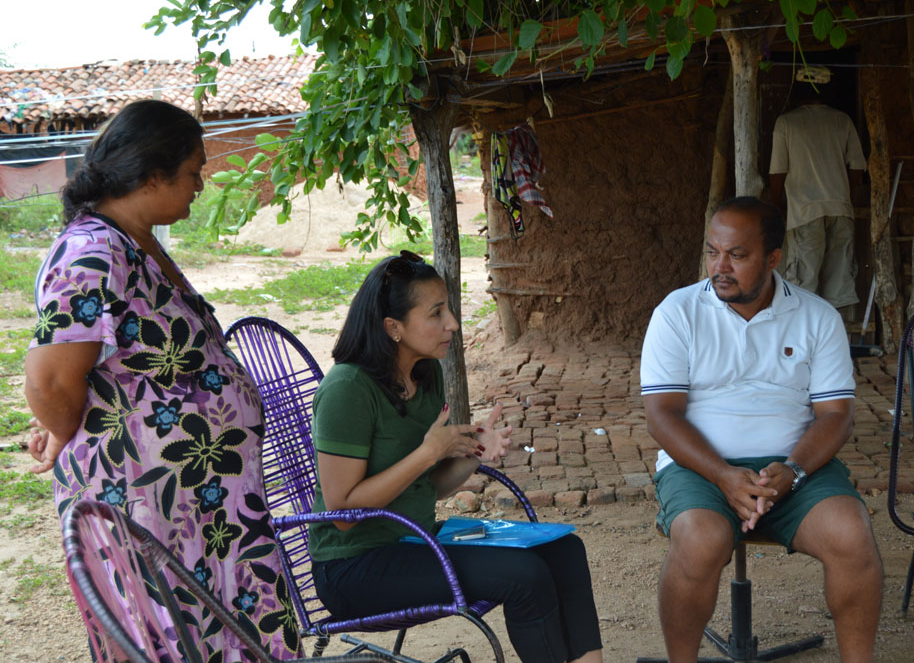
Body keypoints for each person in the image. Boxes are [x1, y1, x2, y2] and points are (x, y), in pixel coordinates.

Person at [24, 100, 302, 661]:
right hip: (150, 505)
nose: (201, 184)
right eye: (193, 171)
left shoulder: (134, 242)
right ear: (152, 175)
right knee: (175, 636)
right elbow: (50, 381)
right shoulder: (92, 253)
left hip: (200, 505)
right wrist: (64, 428)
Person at [308, 251, 603, 663]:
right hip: (354, 567)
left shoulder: (426, 374)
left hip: (415, 542)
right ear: (393, 327)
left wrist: (473, 452)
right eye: (436, 313)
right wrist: (428, 452)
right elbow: (341, 513)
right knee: (525, 575)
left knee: (565, 551)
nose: (453, 323)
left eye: (448, 308)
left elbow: (427, 486)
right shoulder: (348, 390)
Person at [640, 197, 882, 663]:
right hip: (700, 468)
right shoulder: (677, 312)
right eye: (713, 252)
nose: (720, 267)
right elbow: (662, 415)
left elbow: (837, 416)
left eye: (737, 255)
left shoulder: (817, 317)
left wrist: (793, 470)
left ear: (773, 258)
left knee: (852, 536)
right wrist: (723, 475)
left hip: (796, 468)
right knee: (699, 540)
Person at [769, 70, 867, 309]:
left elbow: (778, 171)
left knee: (803, 283)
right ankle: (836, 328)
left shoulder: (787, 122)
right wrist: (845, 195)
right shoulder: (842, 120)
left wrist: (776, 204)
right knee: (839, 285)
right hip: (840, 210)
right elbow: (857, 168)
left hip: (805, 212)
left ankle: (804, 331)